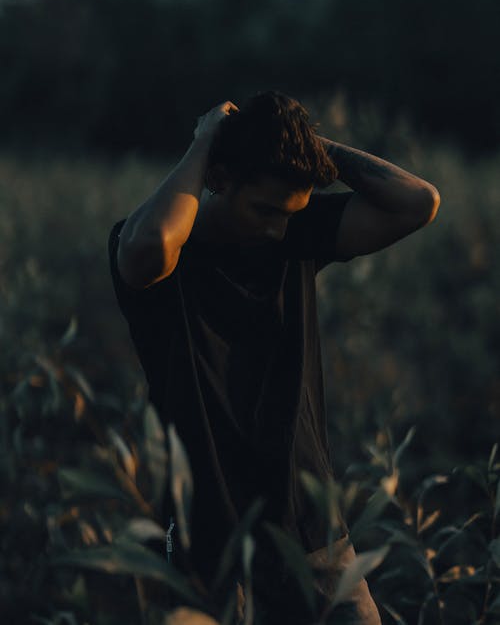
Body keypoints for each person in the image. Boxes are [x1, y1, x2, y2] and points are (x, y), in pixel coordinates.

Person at [108, 90, 440, 624]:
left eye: (290, 213)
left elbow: (418, 202)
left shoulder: (291, 234)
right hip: (205, 532)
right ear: (217, 179)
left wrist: (312, 148)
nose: (275, 228)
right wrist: (204, 141)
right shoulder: (159, 249)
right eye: (263, 209)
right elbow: (148, 249)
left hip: (308, 522)